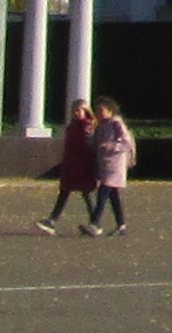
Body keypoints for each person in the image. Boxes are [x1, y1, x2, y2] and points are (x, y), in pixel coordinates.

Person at [42, 98, 134, 236]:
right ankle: (121, 225)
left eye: (101, 110)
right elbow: (94, 143)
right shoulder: (100, 125)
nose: (99, 113)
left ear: (110, 110)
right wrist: (90, 139)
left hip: (115, 164)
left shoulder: (116, 124)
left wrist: (111, 146)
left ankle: (94, 223)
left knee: (103, 193)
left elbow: (127, 143)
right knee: (113, 194)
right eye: (97, 110)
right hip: (104, 164)